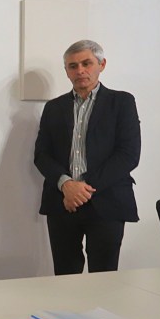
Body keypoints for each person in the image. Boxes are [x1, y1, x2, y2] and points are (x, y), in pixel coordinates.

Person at [33, 40, 141, 275]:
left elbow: (128, 154)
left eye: (86, 63)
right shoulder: (53, 107)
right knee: (65, 276)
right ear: (66, 71)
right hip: (62, 202)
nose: (80, 70)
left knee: (103, 278)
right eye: (73, 66)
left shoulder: (122, 102)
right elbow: (41, 155)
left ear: (102, 65)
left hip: (107, 201)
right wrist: (67, 185)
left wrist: (83, 189)